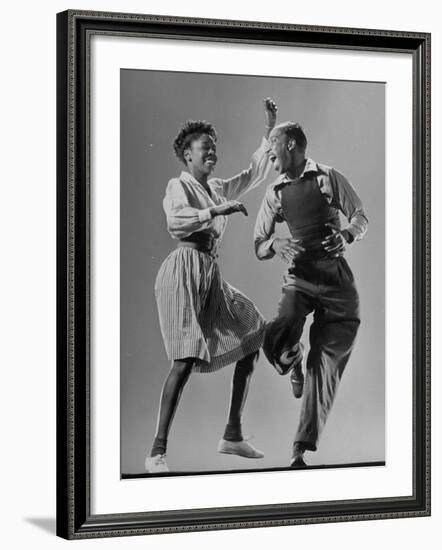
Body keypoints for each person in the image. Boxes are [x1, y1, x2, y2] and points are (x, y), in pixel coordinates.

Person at [145, 99, 278, 473]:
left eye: (214, 148)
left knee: (253, 333)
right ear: (188, 155)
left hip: (209, 274)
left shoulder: (217, 187)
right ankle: (157, 451)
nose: (213, 153)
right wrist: (214, 212)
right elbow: (176, 222)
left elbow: (253, 173)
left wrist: (269, 130)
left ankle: (232, 434)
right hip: (182, 271)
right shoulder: (179, 185)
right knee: (184, 359)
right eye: (206, 148)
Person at [254, 121, 368, 468]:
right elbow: (258, 245)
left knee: (325, 366)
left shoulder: (328, 177)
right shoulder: (274, 192)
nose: (269, 152)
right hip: (299, 278)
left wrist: (347, 235)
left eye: (273, 144)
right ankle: (292, 356)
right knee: (281, 325)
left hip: (335, 281)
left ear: (290, 144)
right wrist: (275, 242)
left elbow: (360, 215)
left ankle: (299, 449)